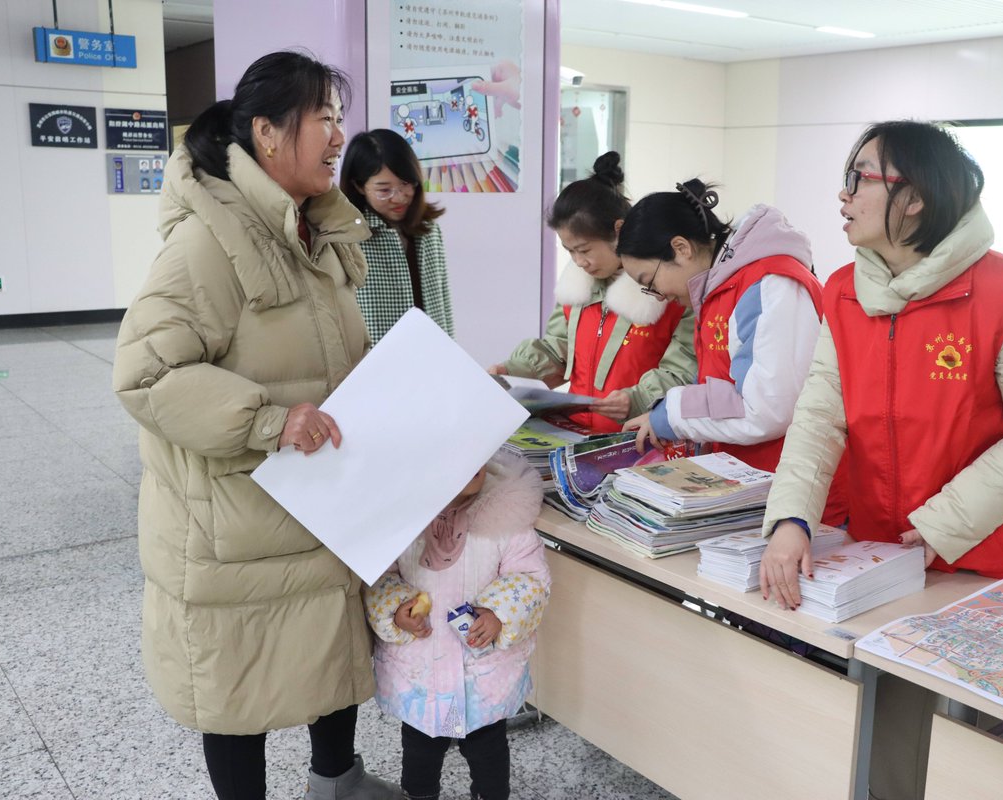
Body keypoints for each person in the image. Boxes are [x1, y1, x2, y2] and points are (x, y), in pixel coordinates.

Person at [758, 120, 1003, 800]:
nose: (841, 195)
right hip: (884, 557)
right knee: (886, 737)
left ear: (914, 200)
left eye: (859, 179)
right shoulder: (844, 290)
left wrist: (942, 523)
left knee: (975, 757)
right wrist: (790, 517)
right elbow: (820, 418)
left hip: (983, 560)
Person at [112, 51, 400, 800]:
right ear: (269, 134)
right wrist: (268, 420)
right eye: (324, 119)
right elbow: (145, 375)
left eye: (341, 117)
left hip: (314, 499)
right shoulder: (207, 242)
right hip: (235, 519)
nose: (341, 136)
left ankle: (337, 779)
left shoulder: (313, 234)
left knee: (326, 650)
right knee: (239, 681)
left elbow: (334, 352)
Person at [617, 180, 848, 525]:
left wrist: (672, 414)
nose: (658, 295)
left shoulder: (770, 284)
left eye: (649, 282)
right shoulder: (721, 289)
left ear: (680, 248)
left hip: (795, 505)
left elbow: (767, 408)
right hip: (755, 489)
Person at [364, 451, 549, 800]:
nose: (471, 460)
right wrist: (397, 610)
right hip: (421, 673)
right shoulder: (401, 522)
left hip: (480, 675)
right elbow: (380, 577)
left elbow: (529, 577)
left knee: (486, 749)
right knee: (421, 751)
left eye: (477, 450)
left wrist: (499, 613)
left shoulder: (506, 518)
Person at [490, 152, 696, 433]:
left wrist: (637, 399)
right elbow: (557, 347)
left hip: (637, 439)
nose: (578, 262)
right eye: (570, 251)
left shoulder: (669, 290)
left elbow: (683, 369)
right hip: (577, 434)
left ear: (618, 231)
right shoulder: (577, 288)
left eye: (584, 250)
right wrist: (512, 370)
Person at [341, 128, 453, 343]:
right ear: (359, 186)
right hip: (375, 360)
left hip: (430, 352)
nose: (399, 198)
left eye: (406, 184)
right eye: (384, 190)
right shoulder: (350, 235)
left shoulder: (428, 229)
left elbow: (443, 303)